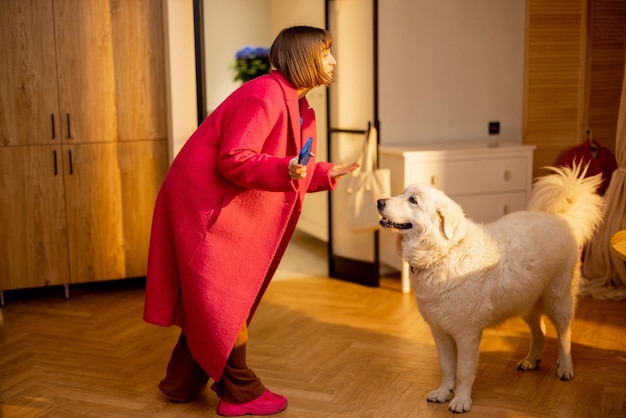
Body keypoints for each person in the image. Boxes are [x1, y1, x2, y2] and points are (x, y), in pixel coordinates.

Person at [143, 26, 359, 416]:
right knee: (224, 300)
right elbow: (234, 158)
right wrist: (288, 169)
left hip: (221, 203)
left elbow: (291, 164)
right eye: (326, 53)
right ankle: (240, 393)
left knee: (214, 301)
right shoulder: (263, 96)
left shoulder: (296, 102)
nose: (333, 61)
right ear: (303, 58)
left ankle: (180, 383)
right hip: (203, 206)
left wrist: (324, 173)